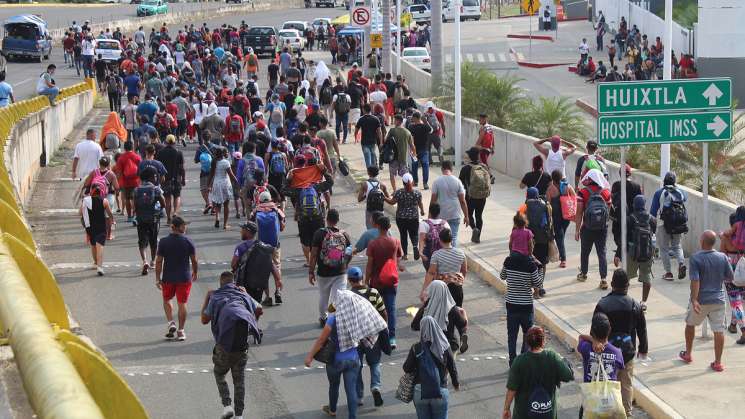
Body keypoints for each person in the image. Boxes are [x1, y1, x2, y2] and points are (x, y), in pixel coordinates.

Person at [304, 290, 387, 419]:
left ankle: (332, 410)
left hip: (335, 360)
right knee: (351, 390)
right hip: (353, 359)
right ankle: (352, 416)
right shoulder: (356, 317)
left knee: (334, 386)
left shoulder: (333, 319)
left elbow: (321, 341)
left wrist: (310, 356)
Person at [200, 271, 262, 419]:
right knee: (239, 381)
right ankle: (239, 415)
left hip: (223, 346)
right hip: (241, 346)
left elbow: (204, 319)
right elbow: (259, 309)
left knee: (219, 373)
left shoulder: (216, 297)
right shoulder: (243, 295)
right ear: (234, 283)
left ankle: (227, 406)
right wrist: (253, 322)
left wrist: (207, 297)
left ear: (221, 283)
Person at [594, 268, 649, 417]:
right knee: (626, 384)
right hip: (627, 353)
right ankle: (626, 413)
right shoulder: (635, 305)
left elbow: (595, 329)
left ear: (612, 284)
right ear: (628, 285)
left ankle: (607, 412)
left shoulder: (603, 304)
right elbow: (642, 330)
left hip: (606, 352)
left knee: (606, 383)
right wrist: (643, 349)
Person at [679, 231, 731, 372]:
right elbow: (729, 277)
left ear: (702, 242)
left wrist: (695, 299)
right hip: (718, 300)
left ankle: (688, 354)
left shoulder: (696, 258)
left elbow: (695, 280)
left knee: (690, 324)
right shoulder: (723, 257)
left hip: (701, 300)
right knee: (719, 330)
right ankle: (718, 363)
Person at [502, 326, 574, 419]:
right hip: (546, 412)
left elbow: (511, 389)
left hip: (523, 414)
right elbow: (568, 376)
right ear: (543, 341)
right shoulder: (552, 357)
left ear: (527, 342)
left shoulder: (519, 361)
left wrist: (506, 409)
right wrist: (562, 360)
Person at [403, 316, 460, 419]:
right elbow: (452, 367)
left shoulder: (416, 347)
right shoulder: (444, 346)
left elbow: (407, 368)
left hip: (420, 392)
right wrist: (456, 384)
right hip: (440, 390)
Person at [346, 267, 387, 408]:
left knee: (357, 366)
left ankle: (359, 396)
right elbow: (383, 312)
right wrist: (383, 328)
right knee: (375, 363)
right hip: (372, 336)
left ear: (349, 280)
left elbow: (336, 311)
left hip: (355, 337)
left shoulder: (348, 296)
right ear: (362, 277)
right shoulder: (373, 292)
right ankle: (375, 387)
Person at [501, 232, 543, 365]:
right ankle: (523, 360)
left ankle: (512, 361)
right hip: (526, 306)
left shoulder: (508, 261)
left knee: (512, 336)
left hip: (511, 304)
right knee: (528, 335)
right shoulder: (531, 264)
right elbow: (538, 283)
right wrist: (540, 268)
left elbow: (502, 276)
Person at [155, 216, 198, 342]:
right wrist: (195, 272)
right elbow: (194, 260)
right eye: (183, 225)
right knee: (182, 304)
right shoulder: (188, 241)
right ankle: (181, 331)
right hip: (184, 277)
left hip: (168, 277)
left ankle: (170, 322)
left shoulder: (163, 242)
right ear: (177, 227)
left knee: (167, 299)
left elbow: (158, 261)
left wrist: (158, 278)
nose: (185, 227)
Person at [576, 313, 625, 418]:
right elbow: (619, 371)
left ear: (592, 331)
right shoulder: (617, 352)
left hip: (590, 401)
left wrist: (593, 341)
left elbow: (581, 337)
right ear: (610, 329)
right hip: (610, 402)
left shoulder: (586, 348)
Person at [309, 208, 352, 327]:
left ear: (326, 219)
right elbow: (349, 252)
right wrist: (345, 264)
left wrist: (311, 271)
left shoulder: (319, 233)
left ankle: (323, 318)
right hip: (340, 271)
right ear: (338, 220)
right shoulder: (344, 234)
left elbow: (313, 255)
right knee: (339, 296)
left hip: (323, 272)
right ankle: (337, 318)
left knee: (324, 296)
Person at [366, 215, 402, 349]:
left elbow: (369, 265)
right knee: (391, 309)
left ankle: (376, 336)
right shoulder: (395, 241)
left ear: (377, 227)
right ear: (389, 227)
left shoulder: (373, 244)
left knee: (374, 309)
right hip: (391, 281)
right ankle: (391, 337)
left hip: (376, 282)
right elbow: (399, 256)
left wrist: (366, 280)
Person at [615, 195, 656, 309]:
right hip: (647, 252)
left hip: (632, 253)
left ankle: (624, 299)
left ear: (634, 205)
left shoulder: (630, 219)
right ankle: (644, 302)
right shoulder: (652, 219)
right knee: (646, 276)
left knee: (626, 276)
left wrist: (618, 254)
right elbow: (653, 234)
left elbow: (624, 238)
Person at [575, 169, 611, 289]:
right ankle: (603, 279)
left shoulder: (583, 193)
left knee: (585, 252)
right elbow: (608, 212)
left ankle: (584, 274)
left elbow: (579, 213)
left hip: (587, 228)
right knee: (602, 252)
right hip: (602, 228)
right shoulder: (606, 193)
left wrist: (577, 230)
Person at [231, 221, 282, 304]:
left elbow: (233, 264)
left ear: (247, 231)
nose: (241, 232)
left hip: (244, 284)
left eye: (242, 229)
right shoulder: (264, 246)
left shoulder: (240, 247)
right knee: (256, 306)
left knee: (245, 307)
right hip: (259, 285)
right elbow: (272, 265)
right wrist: (278, 279)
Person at [650, 172, 688, 281]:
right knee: (677, 246)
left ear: (664, 181)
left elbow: (653, 212)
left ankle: (668, 273)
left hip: (663, 224)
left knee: (664, 248)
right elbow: (685, 197)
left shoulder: (659, 193)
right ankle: (681, 263)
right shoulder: (680, 192)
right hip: (678, 224)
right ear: (674, 182)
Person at [134, 167, 166, 276]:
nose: (156, 177)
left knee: (142, 241)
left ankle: (144, 261)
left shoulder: (137, 189)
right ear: (150, 177)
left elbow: (135, 206)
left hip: (141, 219)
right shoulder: (155, 189)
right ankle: (152, 262)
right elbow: (163, 203)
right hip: (153, 218)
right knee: (153, 241)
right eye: (155, 176)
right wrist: (159, 209)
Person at [385, 173, 424, 260]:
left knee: (403, 235)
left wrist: (384, 197)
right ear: (412, 181)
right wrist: (422, 211)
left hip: (401, 218)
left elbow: (392, 202)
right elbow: (420, 203)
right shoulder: (417, 193)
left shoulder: (399, 192)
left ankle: (405, 255)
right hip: (413, 217)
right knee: (414, 234)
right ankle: (414, 246)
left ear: (403, 182)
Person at [431, 161, 469, 248]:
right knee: (454, 237)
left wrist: (430, 216)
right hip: (455, 214)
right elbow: (462, 201)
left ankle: (443, 257)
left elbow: (433, 201)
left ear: (442, 169)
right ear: (451, 169)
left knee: (441, 238)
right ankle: (453, 257)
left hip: (441, 215)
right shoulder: (458, 181)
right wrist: (466, 216)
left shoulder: (437, 182)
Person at [610, 164, 643, 265]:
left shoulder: (616, 185)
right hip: (632, 218)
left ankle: (620, 253)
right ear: (630, 174)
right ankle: (622, 253)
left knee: (618, 236)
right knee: (628, 236)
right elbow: (641, 201)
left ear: (620, 174)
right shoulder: (637, 186)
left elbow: (612, 200)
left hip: (618, 217)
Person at [522, 187, 552, 296]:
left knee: (529, 263)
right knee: (542, 263)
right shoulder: (545, 206)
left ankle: (532, 288)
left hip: (529, 240)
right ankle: (540, 286)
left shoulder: (524, 207)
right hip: (543, 239)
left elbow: (518, 224)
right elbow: (548, 223)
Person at [80, 183, 113, 276]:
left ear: (91, 190)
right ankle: (100, 267)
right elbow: (109, 214)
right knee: (100, 247)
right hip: (101, 227)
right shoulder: (104, 201)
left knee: (93, 245)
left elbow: (79, 212)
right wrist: (113, 220)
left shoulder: (86, 200)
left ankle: (95, 263)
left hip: (89, 227)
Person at [459, 147, 491, 244]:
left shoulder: (465, 168)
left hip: (470, 196)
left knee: (469, 214)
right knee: (479, 215)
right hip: (482, 196)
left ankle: (474, 229)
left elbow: (460, 182)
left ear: (469, 156)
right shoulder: (484, 167)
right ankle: (478, 236)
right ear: (478, 156)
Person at [546, 170, 572, 268]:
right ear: (561, 177)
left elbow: (548, 204)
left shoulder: (550, 189)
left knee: (559, 237)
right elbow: (574, 197)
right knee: (561, 235)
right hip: (567, 216)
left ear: (552, 178)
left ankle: (563, 259)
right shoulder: (567, 186)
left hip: (556, 217)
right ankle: (562, 254)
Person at [156, 134, 186, 222]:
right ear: (174, 142)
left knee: (167, 198)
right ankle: (175, 212)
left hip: (165, 179)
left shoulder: (161, 152)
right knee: (177, 196)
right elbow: (182, 168)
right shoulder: (178, 152)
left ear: (165, 142)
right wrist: (183, 178)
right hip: (176, 178)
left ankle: (168, 217)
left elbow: (158, 167)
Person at [208, 147, 239, 229]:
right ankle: (225, 224)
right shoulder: (226, 162)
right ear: (223, 154)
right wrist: (237, 182)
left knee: (218, 203)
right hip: (225, 184)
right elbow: (231, 175)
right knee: (226, 204)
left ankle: (217, 217)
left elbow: (211, 175)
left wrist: (208, 185)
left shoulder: (214, 162)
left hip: (216, 183)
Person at [385, 114, 415, 191]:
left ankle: (395, 191)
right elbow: (412, 145)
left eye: (395, 120)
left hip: (393, 157)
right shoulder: (407, 132)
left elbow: (386, 141)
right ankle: (408, 190)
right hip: (403, 158)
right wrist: (414, 154)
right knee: (406, 176)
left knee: (392, 175)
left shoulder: (392, 131)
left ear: (398, 121)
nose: (394, 122)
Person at [114, 140, 142, 224]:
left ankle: (129, 216)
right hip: (136, 181)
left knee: (127, 199)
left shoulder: (121, 158)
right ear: (132, 147)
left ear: (124, 148)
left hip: (125, 181)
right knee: (136, 199)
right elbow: (140, 170)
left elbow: (119, 173)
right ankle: (136, 214)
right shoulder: (137, 157)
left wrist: (118, 184)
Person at [357, 165, 390, 229]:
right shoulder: (382, 185)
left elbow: (359, 199)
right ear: (377, 173)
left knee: (369, 227)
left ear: (368, 173)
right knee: (381, 227)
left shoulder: (364, 184)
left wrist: (366, 195)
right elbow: (388, 198)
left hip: (370, 209)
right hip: (380, 209)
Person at [408, 111, 433, 189]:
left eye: (412, 117)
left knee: (414, 166)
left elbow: (409, 138)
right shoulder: (425, 127)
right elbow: (431, 130)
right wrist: (425, 121)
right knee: (425, 166)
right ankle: (425, 183)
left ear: (415, 118)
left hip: (414, 151)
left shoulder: (411, 127)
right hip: (424, 150)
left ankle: (415, 182)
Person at [356, 104, 383, 169]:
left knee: (367, 157)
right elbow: (379, 132)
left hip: (364, 142)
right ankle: (374, 170)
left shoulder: (361, 119)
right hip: (373, 141)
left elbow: (356, 130)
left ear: (364, 110)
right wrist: (381, 142)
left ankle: (370, 171)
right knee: (373, 154)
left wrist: (356, 138)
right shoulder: (375, 119)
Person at [423, 102, 445, 166]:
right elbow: (442, 124)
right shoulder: (438, 113)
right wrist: (444, 132)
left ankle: (429, 162)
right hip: (437, 133)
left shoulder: (425, 114)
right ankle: (441, 159)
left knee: (427, 148)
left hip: (428, 134)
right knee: (439, 147)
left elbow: (424, 125)